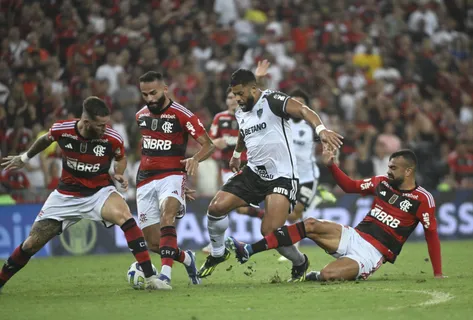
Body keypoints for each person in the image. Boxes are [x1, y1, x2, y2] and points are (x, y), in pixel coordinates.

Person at [0, 96, 164, 292]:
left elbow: (121, 158)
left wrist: (118, 172)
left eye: (106, 123)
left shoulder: (112, 138)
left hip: (99, 192)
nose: (105, 128)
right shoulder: (63, 130)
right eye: (100, 125)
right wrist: (24, 157)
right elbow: (45, 140)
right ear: (86, 122)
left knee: (126, 217)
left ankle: (151, 277)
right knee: (30, 245)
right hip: (65, 196)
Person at [197, 68, 343, 281]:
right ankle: (218, 253)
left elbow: (303, 110)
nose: (236, 98)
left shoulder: (272, 100)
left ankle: (300, 262)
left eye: (240, 93)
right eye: (234, 94)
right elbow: (243, 132)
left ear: (253, 88)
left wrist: (321, 130)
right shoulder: (241, 111)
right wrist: (237, 153)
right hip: (253, 172)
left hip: (281, 176)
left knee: (271, 231)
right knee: (216, 207)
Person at [227, 149, 445, 281]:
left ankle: (314, 275)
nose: (389, 171)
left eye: (394, 168)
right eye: (389, 166)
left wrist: (437, 273)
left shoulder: (423, 199)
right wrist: (332, 166)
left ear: (408, 171)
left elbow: (431, 235)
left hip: (372, 254)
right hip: (354, 235)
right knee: (310, 224)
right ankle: (249, 250)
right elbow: (350, 186)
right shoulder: (381, 183)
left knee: (329, 275)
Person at [136, 71, 215, 290]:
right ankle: (187, 258)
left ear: (164, 89)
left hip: (172, 175)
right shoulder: (140, 115)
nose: (150, 98)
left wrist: (195, 159)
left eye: (153, 93)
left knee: (167, 216)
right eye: (145, 94)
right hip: (144, 180)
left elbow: (208, 144)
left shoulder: (182, 115)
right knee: (153, 243)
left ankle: (165, 277)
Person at [277, 89, 336, 262]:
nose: (297, 107)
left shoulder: (311, 125)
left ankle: (292, 245)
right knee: (288, 214)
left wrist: (330, 150)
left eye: (301, 103)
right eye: (294, 103)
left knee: (295, 214)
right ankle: (294, 246)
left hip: (308, 177)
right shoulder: (282, 123)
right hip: (288, 176)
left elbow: (326, 140)